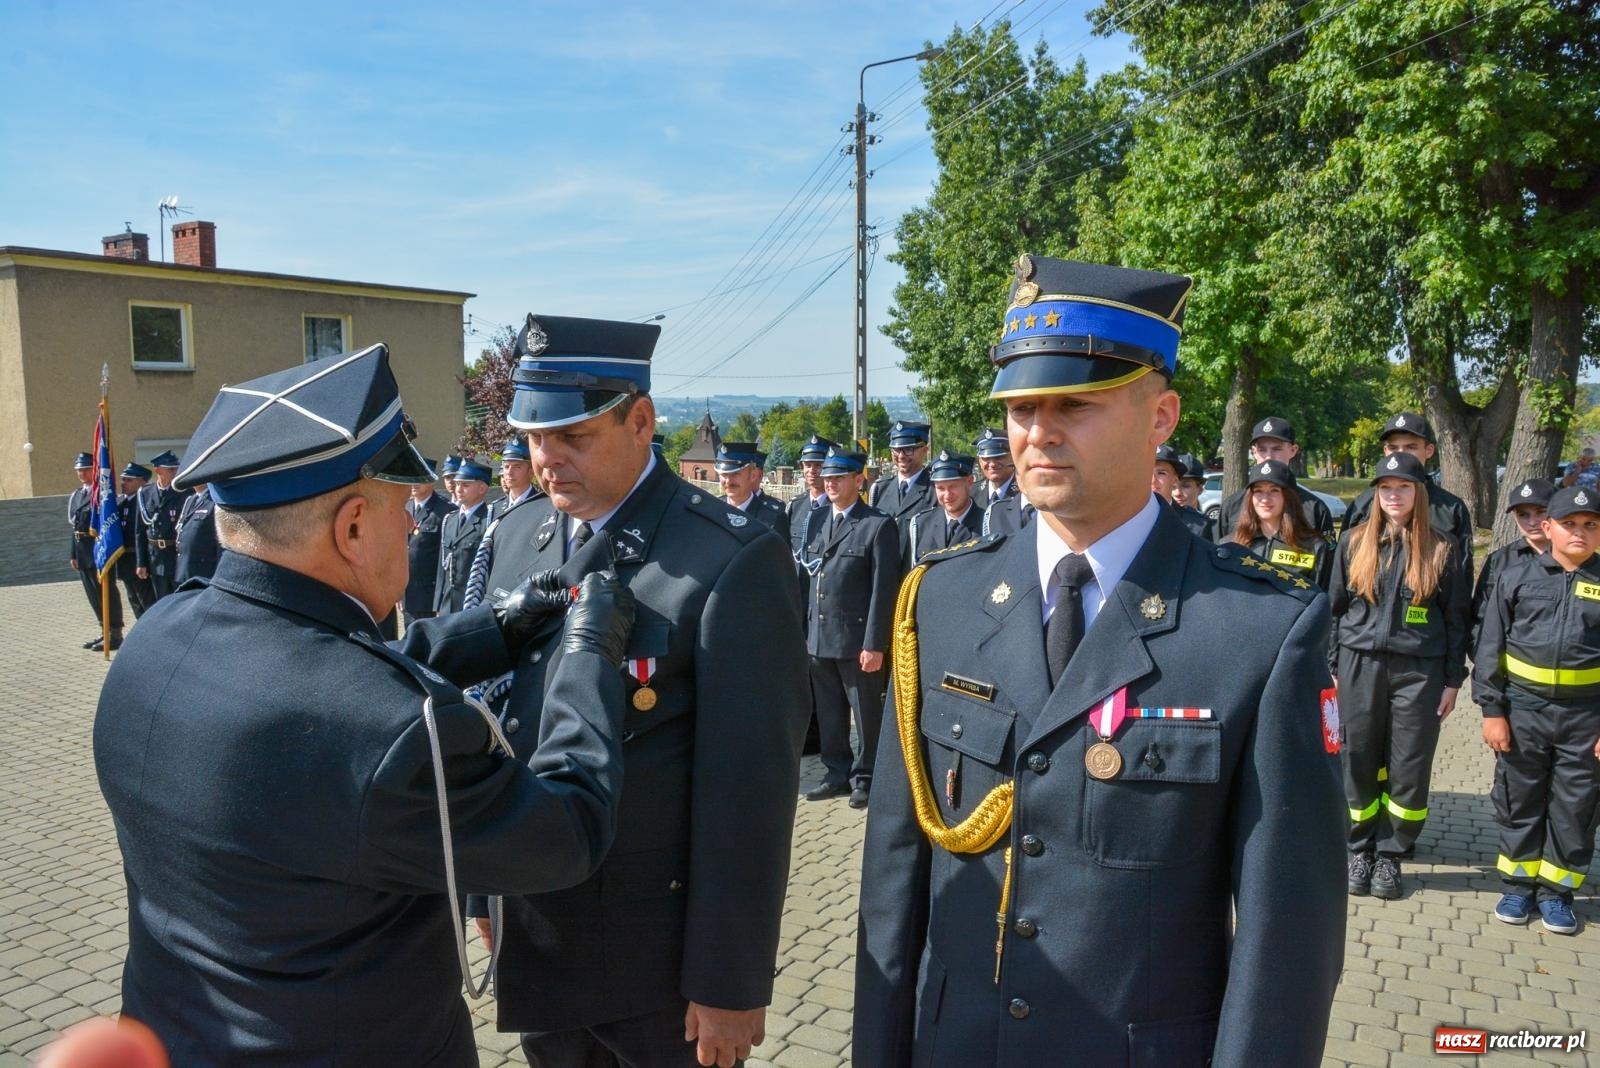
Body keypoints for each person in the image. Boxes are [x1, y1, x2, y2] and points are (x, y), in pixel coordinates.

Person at [856, 255, 1344, 1067]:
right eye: (1021, 406)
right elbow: (895, 878)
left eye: (1074, 404)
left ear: (1162, 417)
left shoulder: (1258, 631)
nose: (1036, 432)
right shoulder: (939, 601)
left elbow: (1287, 940)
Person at [93, 342, 637, 1066]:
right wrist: (588, 650)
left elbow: (319, 681)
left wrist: (499, 627)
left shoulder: (156, 639)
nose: (414, 526)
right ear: (351, 528)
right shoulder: (398, 736)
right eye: (399, 508)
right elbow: (568, 831)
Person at [469, 313, 810, 1068]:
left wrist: (729, 980)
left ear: (643, 421)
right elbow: (498, 727)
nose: (546, 459)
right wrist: (481, 894)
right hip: (538, 937)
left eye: (573, 437)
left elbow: (748, 798)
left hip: (656, 973)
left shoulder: (728, 560)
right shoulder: (520, 535)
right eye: (532, 438)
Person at [1331, 450, 1471, 901]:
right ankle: (1359, 847)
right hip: (1358, 665)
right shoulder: (1353, 542)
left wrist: (1452, 681)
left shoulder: (1442, 546)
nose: (1394, 495)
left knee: (1409, 764)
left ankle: (1391, 854)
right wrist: (1332, 666)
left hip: (1420, 671)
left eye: (1404, 487)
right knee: (1357, 758)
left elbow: (1456, 619)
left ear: (1418, 492)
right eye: (1386, 487)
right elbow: (1333, 609)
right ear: (1376, 493)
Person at [1473, 486, 1600, 935]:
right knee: (1518, 799)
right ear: (1548, 529)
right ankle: (1518, 886)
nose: (1580, 532)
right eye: (1569, 524)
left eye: (1591, 525)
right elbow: (1491, 648)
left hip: (1586, 719)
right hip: (1523, 711)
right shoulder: (1518, 577)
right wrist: (1492, 710)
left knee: (1575, 807)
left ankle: (1557, 893)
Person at [800, 447, 903, 809]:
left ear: (858, 480)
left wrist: (875, 644)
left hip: (858, 640)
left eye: (838, 477)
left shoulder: (877, 525)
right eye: (827, 476)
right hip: (819, 637)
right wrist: (804, 632)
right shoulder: (815, 520)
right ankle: (835, 773)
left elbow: (883, 589)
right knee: (828, 713)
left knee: (866, 715)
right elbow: (807, 578)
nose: (829, 482)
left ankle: (866, 776)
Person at [1340, 412, 1475, 575]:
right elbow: (1342, 568)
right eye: (1393, 447)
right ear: (1385, 451)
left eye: (1411, 447)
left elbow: (1462, 573)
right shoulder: (1362, 506)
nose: (1400, 454)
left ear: (1429, 450)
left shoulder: (1452, 509)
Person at [1212, 417, 1334, 543]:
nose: (1269, 456)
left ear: (1293, 450)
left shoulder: (1315, 509)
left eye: (1277, 449)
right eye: (1262, 449)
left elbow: (1326, 557)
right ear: (1254, 452)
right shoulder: (1232, 506)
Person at [461, 441, 548, 612]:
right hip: (497, 588)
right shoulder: (496, 508)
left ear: (531, 471)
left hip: (525, 588)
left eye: (517, 467)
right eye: (506, 466)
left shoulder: (543, 504)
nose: (509, 472)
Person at [1470, 478, 1554, 647]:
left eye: (1540, 511)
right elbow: (1481, 617)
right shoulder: (1499, 560)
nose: (1532, 522)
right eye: (1523, 515)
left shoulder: (1575, 559)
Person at [1230, 460, 1334, 591]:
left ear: (1289, 497)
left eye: (1274, 490)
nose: (1265, 499)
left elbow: (1322, 602)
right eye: (1258, 491)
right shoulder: (1230, 545)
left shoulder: (1314, 548)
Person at [68, 451, 125, 650]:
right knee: (93, 595)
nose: (81, 473)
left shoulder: (102, 494)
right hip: (82, 550)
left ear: (94, 470)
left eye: (85, 469)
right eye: (78, 470)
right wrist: (73, 554)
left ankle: (115, 633)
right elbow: (74, 526)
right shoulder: (77, 495)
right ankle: (104, 630)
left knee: (106, 592)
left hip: (98, 549)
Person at [433, 459, 492, 615]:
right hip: (447, 602)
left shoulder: (489, 521)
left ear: (482, 488)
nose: (459, 489)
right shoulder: (449, 520)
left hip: (473, 602)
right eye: (458, 484)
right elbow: (442, 566)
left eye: (465, 485)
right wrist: (438, 603)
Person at [906, 451, 983, 568]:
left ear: (969, 482)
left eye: (953, 487)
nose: (947, 495)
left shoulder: (986, 523)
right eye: (941, 488)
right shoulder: (921, 524)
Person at [401, 463, 453, 627]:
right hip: (408, 592)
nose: (414, 483)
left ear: (431, 480)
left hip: (430, 594)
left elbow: (445, 557)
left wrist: (440, 599)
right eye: (411, 478)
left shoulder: (446, 510)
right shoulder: (405, 507)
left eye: (419, 478)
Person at [134, 451, 190, 602]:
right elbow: (140, 531)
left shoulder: (185, 492)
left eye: (176, 468)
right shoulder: (145, 493)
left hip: (177, 555)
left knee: (180, 599)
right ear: (158, 470)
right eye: (171, 469)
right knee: (162, 600)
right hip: (156, 557)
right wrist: (141, 562)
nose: (176, 472)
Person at [869, 421, 934, 544]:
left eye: (909, 449)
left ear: (925, 450)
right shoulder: (880, 489)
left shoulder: (935, 490)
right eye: (896, 449)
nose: (901, 456)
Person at [716, 441, 789, 540]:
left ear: (753, 475)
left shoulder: (773, 518)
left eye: (735, 474)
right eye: (724, 474)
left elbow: (781, 555)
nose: (728, 481)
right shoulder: (714, 510)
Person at [787, 435, 835, 574]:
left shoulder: (837, 507)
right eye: (807, 465)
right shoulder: (795, 506)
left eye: (818, 465)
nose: (812, 470)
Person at [115, 464, 156, 622]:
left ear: (143, 482)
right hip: (124, 558)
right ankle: (141, 630)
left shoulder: (144, 502)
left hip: (139, 558)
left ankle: (152, 631)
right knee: (133, 599)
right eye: (123, 479)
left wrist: (142, 561)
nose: (123, 483)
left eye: (129, 480)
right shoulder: (120, 502)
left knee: (146, 599)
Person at [173, 482, 221, 585]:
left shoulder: (215, 500)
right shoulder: (191, 500)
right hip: (184, 569)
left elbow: (220, 541)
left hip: (204, 573)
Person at [971, 427, 1017, 510]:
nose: (992, 464)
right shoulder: (971, 493)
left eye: (998, 457)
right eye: (986, 458)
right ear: (980, 461)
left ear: (1012, 457)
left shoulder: (1026, 493)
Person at [1174, 452, 1216, 540]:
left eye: (1185, 486)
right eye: (1173, 486)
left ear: (1200, 489)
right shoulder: (1155, 522)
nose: (1177, 493)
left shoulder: (1211, 527)